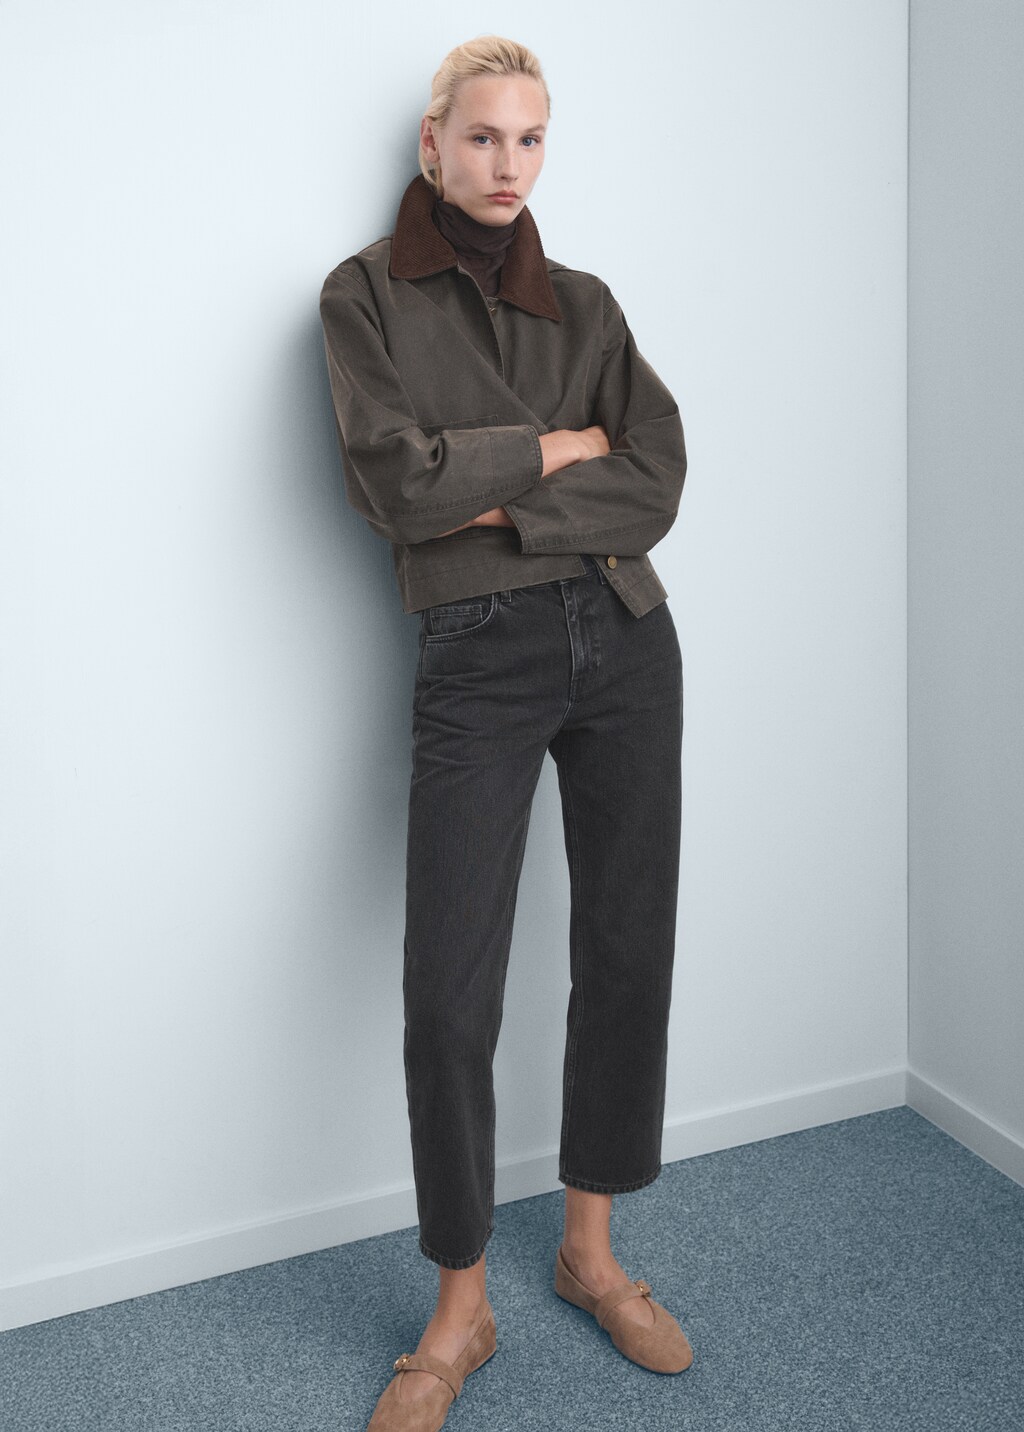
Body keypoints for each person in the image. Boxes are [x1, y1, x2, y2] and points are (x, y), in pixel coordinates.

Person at [319, 35, 692, 1432]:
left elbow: (657, 476)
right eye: (483, 137)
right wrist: (554, 449)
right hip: (477, 655)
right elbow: (396, 488)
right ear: (433, 143)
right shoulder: (360, 296)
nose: (508, 164)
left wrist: (491, 492)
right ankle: (459, 1308)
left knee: (625, 948)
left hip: (627, 639)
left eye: (531, 140)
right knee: (450, 993)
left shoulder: (585, 303)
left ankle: (592, 1250)